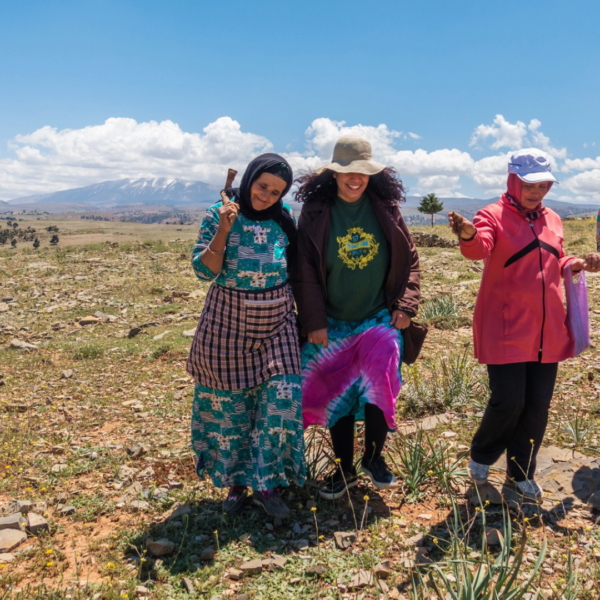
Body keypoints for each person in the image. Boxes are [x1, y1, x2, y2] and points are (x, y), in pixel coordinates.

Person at [448, 148, 600, 500]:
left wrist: (580, 263)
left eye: (544, 184)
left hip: (547, 329)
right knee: (508, 400)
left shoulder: (553, 220)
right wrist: (469, 234)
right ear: (513, 180)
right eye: (530, 184)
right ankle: (483, 454)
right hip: (506, 326)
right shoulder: (493, 215)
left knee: (537, 405)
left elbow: (558, 259)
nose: (537, 191)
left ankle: (521, 471)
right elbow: (480, 248)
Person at [292, 135, 420, 500]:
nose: (355, 179)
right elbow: (304, 271)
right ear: (333, 174)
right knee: (339, 392)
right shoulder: (316, 212)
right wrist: (314, 321)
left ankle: (374, 458)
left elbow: (410, 260)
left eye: (362, 173)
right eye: (347, 172)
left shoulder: (385, 208)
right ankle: (345, 468)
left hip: (377, 317)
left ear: (370, 176)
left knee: (380, 380)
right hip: (331, 321)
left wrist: (405, 306)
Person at [187, 153, 304, 519]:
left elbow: (299, 270)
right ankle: (237, 481)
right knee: (229, 407)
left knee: (281, 398)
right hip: (227, 323)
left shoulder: (284, 220)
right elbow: (204, 272)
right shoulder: (219, 214)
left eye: (276, 191)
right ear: (249, 179)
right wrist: (223, 229)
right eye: (262, 186)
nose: (267, 196)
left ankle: (269, 483)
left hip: (277, 324)